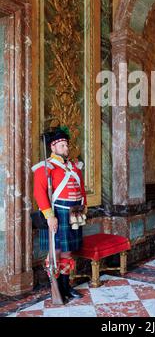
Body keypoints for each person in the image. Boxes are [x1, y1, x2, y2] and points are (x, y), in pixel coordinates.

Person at [32, 126, 87, 302]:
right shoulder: (45, 167)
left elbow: (81, 189)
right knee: (54, 253)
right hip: (57, 214)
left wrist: (84, 206)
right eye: (62, 145)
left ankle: (65, 287)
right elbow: (39, 193)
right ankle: (56, 290)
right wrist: (49, 216)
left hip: (73, 215)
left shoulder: (74, 167)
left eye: (66, 145)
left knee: (67, 253)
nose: (66, 148)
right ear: (53, 147)